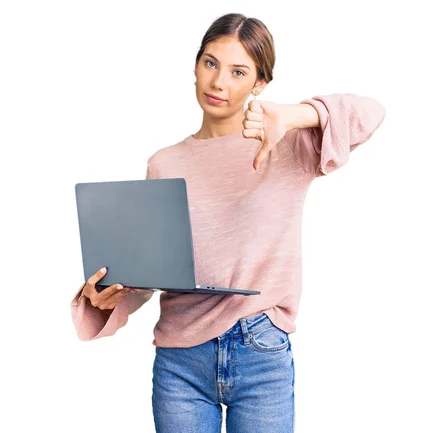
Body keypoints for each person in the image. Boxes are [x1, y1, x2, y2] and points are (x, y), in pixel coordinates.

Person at [70, 12, 386, 433]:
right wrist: (111, 294)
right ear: (197, 65)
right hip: (181, 359)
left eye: (239, 72)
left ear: (259, 84)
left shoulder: (288, 145)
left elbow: (371, 113)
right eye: (211, 63)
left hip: (261, 348)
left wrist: (294, 116)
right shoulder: (164, 163)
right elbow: (153, 273)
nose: (218, 82)